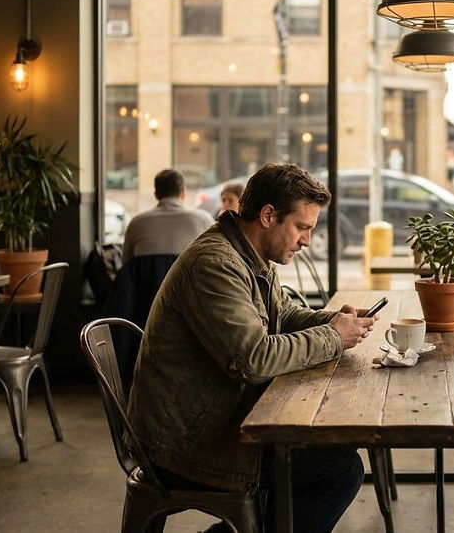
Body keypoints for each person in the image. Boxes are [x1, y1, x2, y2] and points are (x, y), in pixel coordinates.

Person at [125, 162, 374, 532]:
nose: (306, 240)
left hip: (212, 418)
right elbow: (252, 359)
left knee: (333, 457)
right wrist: (334, 337)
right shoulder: (215, 264)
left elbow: (284, 315)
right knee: (339, 471)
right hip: (181, 442)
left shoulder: (249, 254)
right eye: (302, 227)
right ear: (268, 215)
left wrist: (333, 319)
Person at [121, 168, 215, 260]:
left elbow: (125, 262)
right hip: (191, 275)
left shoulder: (137, 223)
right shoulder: (204, 220)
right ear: (183, 193)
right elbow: (215, 259)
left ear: (156, 194)